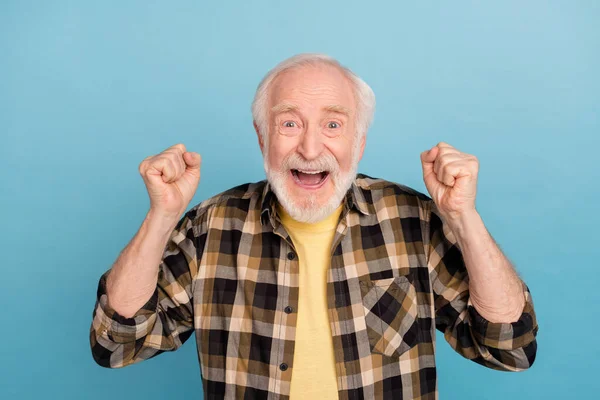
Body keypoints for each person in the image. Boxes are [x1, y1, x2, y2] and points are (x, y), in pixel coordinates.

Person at [89, 53, 538, 400]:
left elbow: (508, 347)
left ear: (358, 142)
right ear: (263, 137)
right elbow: (118, 343)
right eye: (289, 123)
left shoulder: (413, 220)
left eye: (332, 124)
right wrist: (162, 216)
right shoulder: (212, 225)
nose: (309, 147)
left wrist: (465, 217)